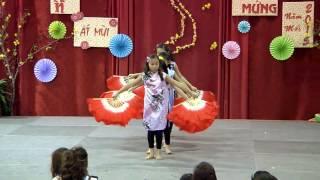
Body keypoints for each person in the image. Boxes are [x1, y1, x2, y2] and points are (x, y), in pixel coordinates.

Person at [114, 54, 192, 160]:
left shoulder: (163, 76)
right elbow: (130, 84)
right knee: (150, 130)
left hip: (161, 108)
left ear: (159, 64)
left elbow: (177, 84)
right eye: (152, 64)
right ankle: (151, 152)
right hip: (149, 107)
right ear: (148, 64)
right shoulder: (145, 76)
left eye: (156, 64)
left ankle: (158, 152)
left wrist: (190, 92)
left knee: (159, 130)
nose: (154, 66)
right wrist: (118, 92)